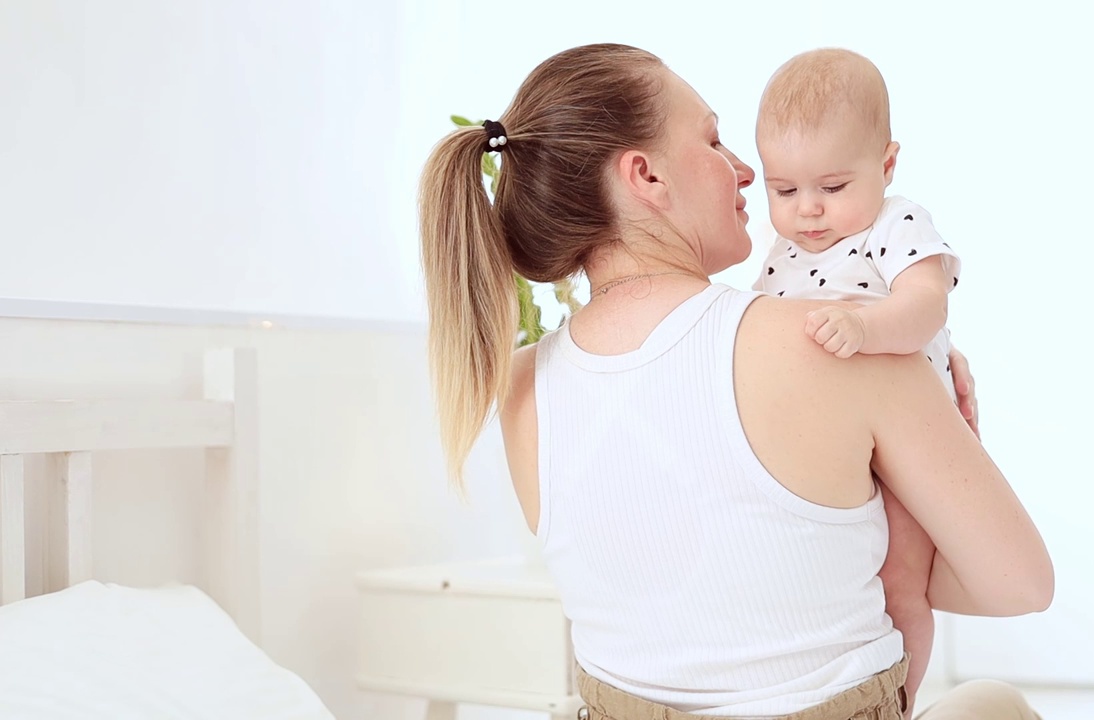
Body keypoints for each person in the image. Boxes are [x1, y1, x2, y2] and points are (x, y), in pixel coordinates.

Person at [419, 43, 1052, 720]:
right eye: (715, 140)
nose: (748, 170)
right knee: (992, 705)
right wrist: (949, 447)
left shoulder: (518, 392)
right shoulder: (837, 338)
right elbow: (1020, 586)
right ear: (646, 177)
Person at [751, 48, 963, 707]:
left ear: (886, 165)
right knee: (833, 591)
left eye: (832, 188)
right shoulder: (784, 253)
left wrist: (868, 329)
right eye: (783, 191)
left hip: (910, 446)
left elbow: (927, 302)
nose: (808, 210)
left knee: (901, 581)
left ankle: (897, 704)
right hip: (831, 451)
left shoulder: (896, 222)